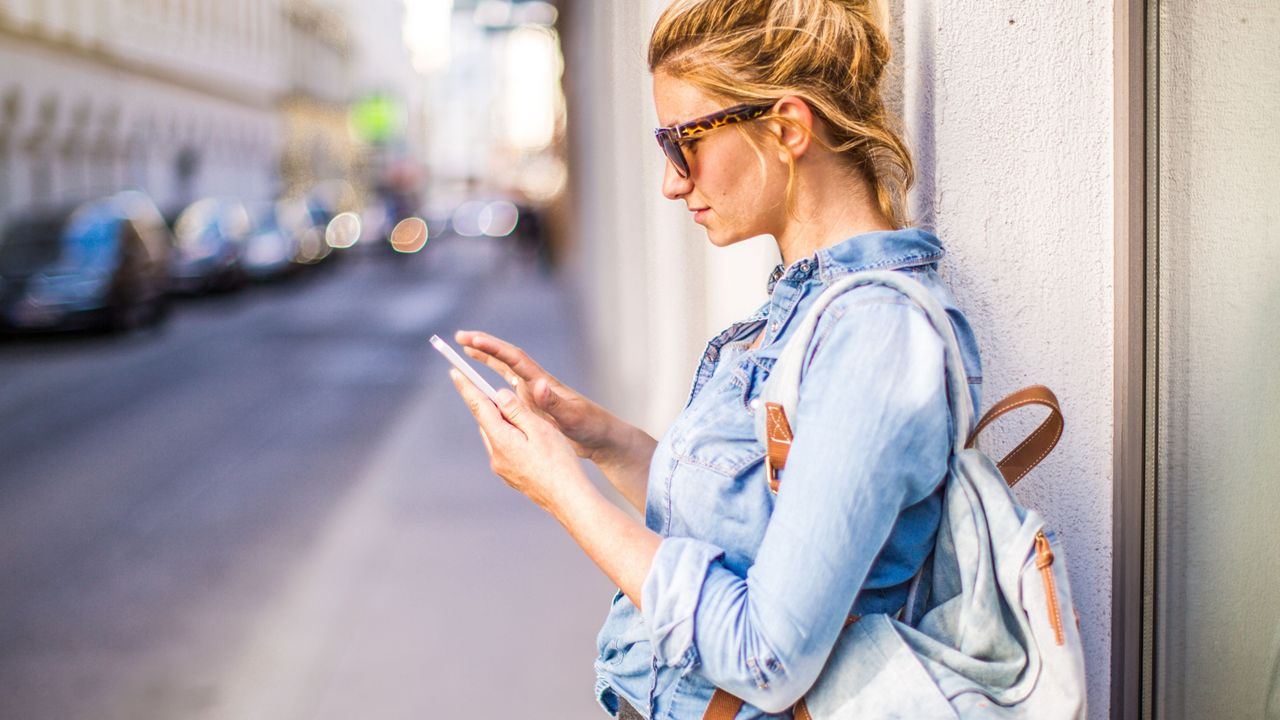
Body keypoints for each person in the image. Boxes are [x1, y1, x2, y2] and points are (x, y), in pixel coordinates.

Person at [447, 0, 982, 717]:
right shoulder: (808, 312)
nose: (671, 181)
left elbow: (766, 655)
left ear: (787, 128)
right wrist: (601, 440)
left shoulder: (875, 336)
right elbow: (750, 526)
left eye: (682, 144)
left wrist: (561, 493)